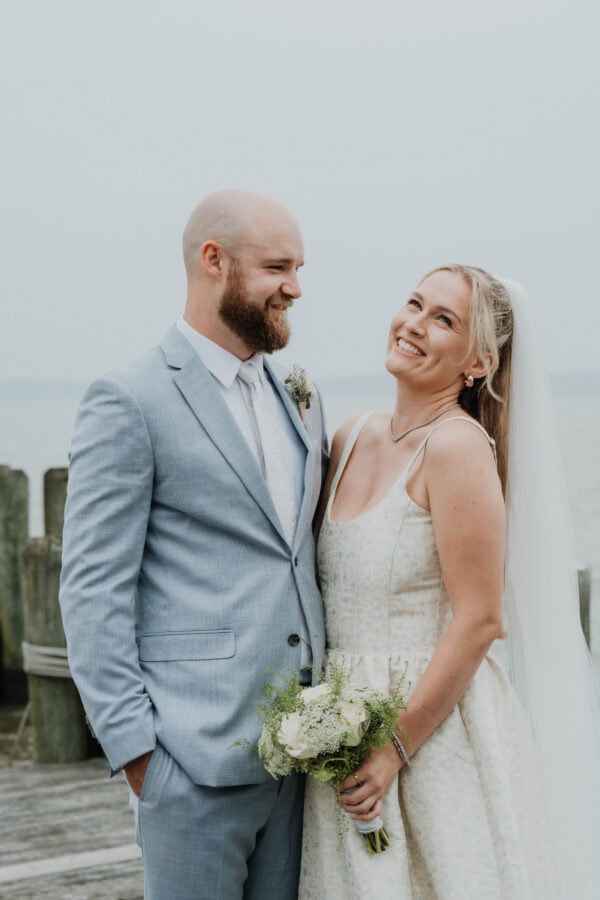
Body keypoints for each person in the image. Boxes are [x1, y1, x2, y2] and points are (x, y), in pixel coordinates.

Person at [59, 189, 328, 899]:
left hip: (303, 766)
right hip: (192, 765)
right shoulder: (129, 398)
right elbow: (92, 590)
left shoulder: (299, 394)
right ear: (214, 261)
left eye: (298, 268)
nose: (295, 287)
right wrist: (140, 754)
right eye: (278, 267)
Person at [300, 265, 600, 898]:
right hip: (343, 730)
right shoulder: (350, 437)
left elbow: (480, 619)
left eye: (444, 321)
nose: (414, 325)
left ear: (478, 363)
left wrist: (391, 751)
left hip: (431, 740)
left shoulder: (457, 447)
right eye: (415, 304)